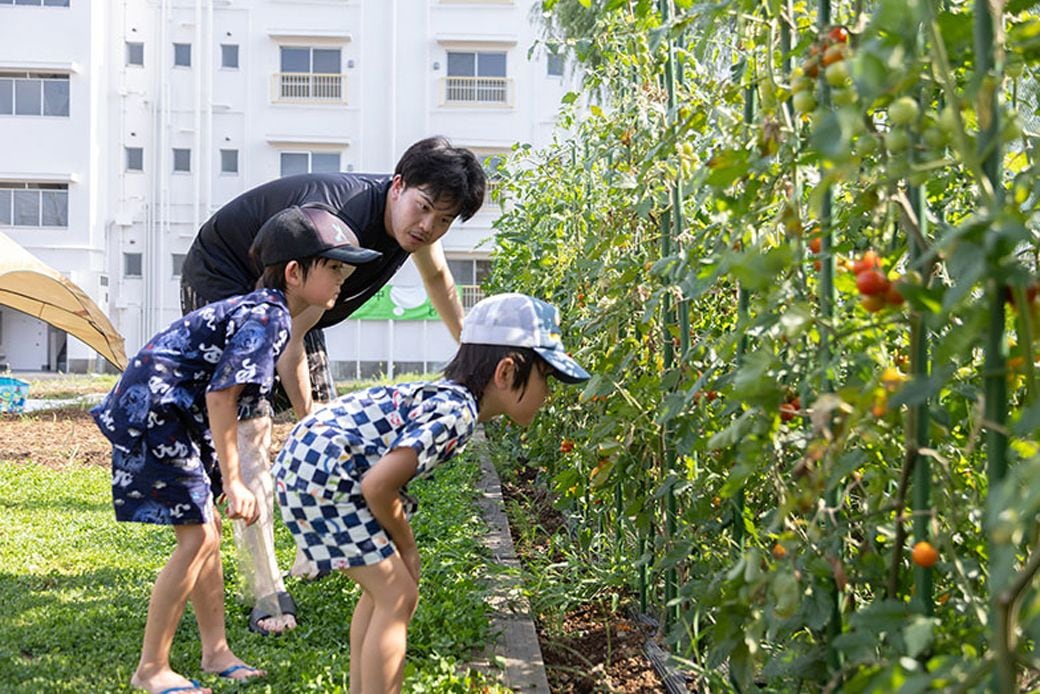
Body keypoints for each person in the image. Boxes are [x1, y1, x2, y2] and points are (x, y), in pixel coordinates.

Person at [180, 136, 486, 636]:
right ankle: (265, 587)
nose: (428, 227)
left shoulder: (409, 233)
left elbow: (439, 283)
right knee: (254, 430)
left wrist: (471, 350)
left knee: (329, 424)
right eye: (424, 208)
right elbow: (286, 345)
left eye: (444, 221)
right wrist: (307, 417)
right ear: (398, 185)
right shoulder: (333, 222)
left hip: (304, 296)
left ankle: (314, 542)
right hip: (227, 275)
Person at [91, 206, 381, 694]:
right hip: (158, 415)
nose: (341, 278)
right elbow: (222, 395)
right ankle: (151, 669)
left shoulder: (270, 315)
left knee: (209, 534)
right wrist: (234, 478)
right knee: (199, 539)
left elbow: (232, 394)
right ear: (294, 272)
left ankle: (215, 651)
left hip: (178, 416)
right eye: (333, 267)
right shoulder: (265, 316)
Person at [271, 293, 590, 693]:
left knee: (382, 593)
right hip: (325, 474)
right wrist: (407, 547)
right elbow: (379, 484)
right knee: (399, 595)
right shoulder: (457, 414)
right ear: (506, 372)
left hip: (313, 465)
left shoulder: (447, 397)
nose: (549, 395)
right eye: (546, 378)